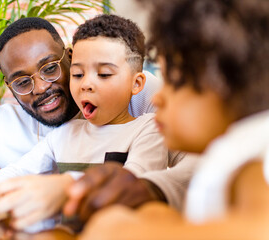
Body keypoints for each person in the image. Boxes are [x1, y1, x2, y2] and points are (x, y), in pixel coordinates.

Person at [74, 0, 269, 239]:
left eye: (173, 82)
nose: (157, 98)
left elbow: (259, 228)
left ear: (230, 86)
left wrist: (125, 231)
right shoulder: (229, 157)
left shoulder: (251, 155)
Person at [0, 15, 197, 219]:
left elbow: (188, 166)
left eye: (50, 68)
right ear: (10, 87)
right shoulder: (14, 127)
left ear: (69, 57)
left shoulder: (146, 105)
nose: (41, 88)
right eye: (22, 82)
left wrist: (68, 187)